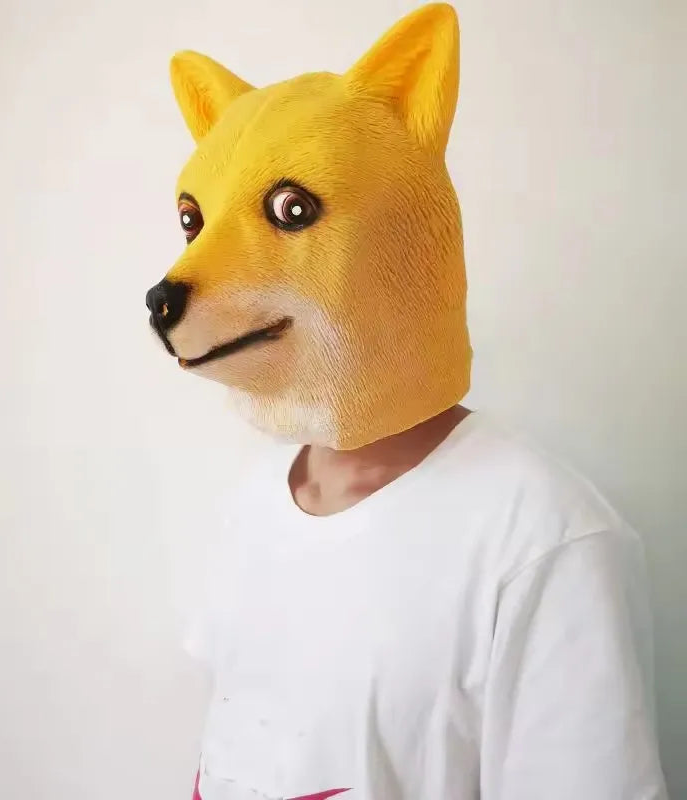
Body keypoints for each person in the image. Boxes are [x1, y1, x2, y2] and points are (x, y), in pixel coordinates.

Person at [146, 4, 669, 798]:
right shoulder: (252, 503)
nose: (183, 272)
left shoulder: (542, 537)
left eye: (292, 211)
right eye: (195, 221)